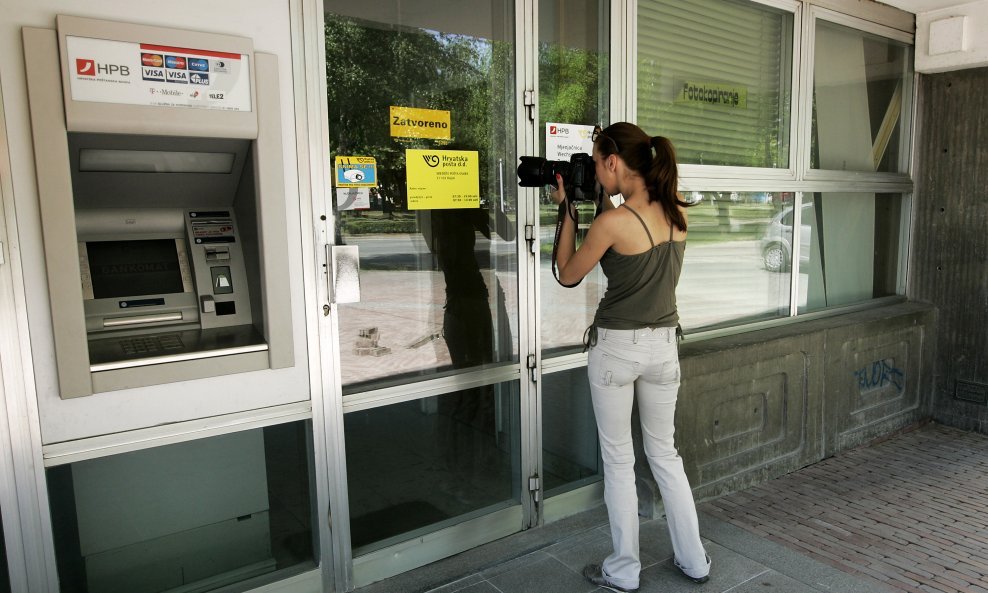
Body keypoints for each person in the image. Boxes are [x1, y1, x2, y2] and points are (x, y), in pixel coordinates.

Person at [550, 122, 710, 592]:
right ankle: (694, 560)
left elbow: (566, 273)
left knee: (619, 462)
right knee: (665, 454)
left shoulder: (611, 224)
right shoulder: (678, 215)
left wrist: (567, 215)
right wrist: (599, 202)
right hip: (664, 347)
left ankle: (622, 572)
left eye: (599, 164)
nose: (597, 174)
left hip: (617, 350)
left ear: (615, 162)